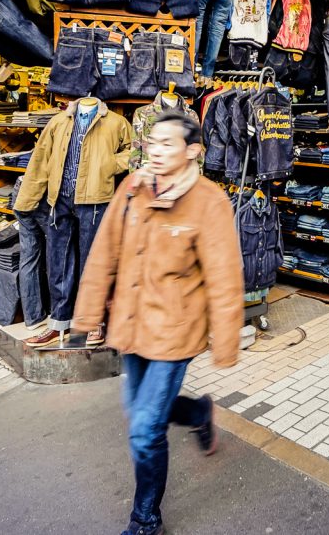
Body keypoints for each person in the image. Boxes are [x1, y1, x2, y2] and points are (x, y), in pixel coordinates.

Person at [73, 111, 244, 535]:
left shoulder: (209, 201)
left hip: (176, 329)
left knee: (145, 429)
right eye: (153, 141)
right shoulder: (132, 189)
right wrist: (89, 314)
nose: (156, 149)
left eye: (168, 143)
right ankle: (199, 412)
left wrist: (225, 341)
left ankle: (145, 519)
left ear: (193, 152)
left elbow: (224, 276)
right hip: (132, 324)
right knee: (141, 413)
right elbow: (104, 253)